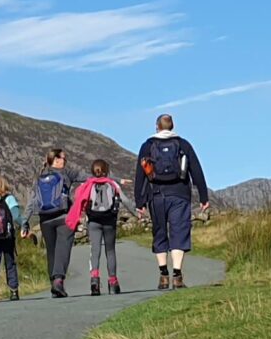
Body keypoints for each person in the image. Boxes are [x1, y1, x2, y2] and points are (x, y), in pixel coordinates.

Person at [131, 113, 210, 290]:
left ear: (157, 126)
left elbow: (140, 174)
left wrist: (139, 202)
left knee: (160, 233)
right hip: (179, 194)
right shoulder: (183, 144)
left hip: (156, 195)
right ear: (172, 126)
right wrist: (203, 196)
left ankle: (163, 275)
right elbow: (196, 170)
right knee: (179, 232)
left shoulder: (148, 145)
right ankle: (177, 274)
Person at [64, 157, 127, 294]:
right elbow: (125, 199)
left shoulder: (88, 184)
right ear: (106, 171)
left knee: (95, 251)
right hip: (109, 221)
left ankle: (94, 282)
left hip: (93, 221)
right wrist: (137, 212)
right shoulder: (112, 184)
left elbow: (78, 198)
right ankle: (113, 282)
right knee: (110, 251)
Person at [34, 149, 76, 298]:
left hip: (45, 219)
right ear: (57, 160)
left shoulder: (41, 176)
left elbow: (34, 200)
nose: (66, 161)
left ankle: (54, 283)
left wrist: (25, 222)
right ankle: (58, 281)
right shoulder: (66, 174)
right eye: (65, 158)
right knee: (63, 248)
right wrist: (116, 180)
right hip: (64, 216)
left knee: (51, 251)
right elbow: (92, 176)